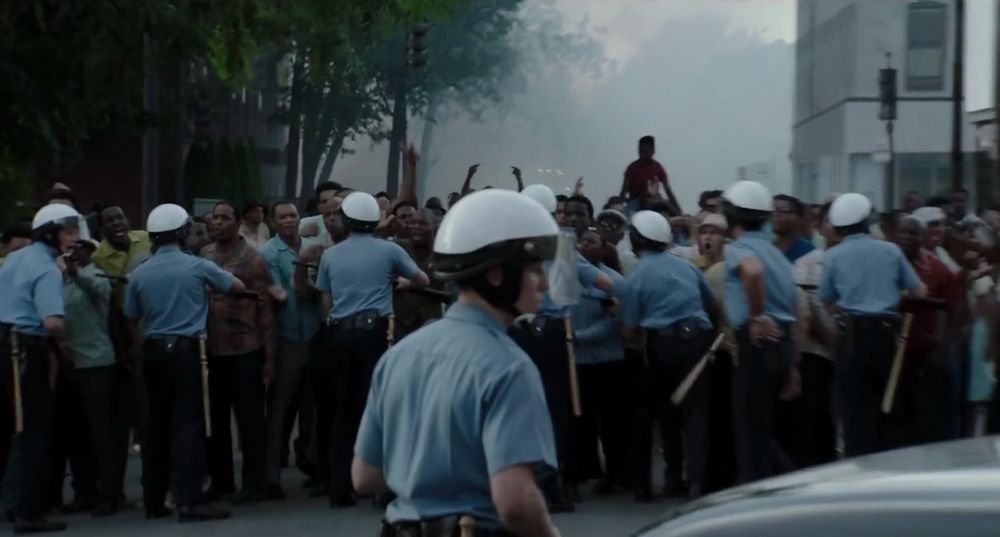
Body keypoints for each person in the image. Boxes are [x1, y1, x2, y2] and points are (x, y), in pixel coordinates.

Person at [352, 189, 562, 537]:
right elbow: (515, 502)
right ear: (497, 275)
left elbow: (365, 476)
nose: (544, 282)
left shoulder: (399, 355)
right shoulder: (509, 367)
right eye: (534, 269)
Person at [124, 203, 246, 522]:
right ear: (182, 232)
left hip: (153, 351)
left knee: (156, 426)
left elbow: (132, 316)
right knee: (188, 426)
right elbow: (237, 287)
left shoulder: (140, 272)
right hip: (187, 351)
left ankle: (153, 501)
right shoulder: (196, 266)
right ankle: (189, 501)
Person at [315, 192, 429, 507]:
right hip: (376, 334)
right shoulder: (389, 250)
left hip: (340, 335)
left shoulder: (330, 255)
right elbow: (422, 279)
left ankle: (339, 488)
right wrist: (402, 284)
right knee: (381, 409)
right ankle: (384, 487)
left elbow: (326, 301)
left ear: (347, 220)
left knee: (343, 411)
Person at [512, 184, 613, 511]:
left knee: (518, 408)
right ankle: (553, 486)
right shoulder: (561, 245)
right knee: (557, 411)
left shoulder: (509, 244)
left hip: (518, 331)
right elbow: (604, 283)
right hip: (554, 334)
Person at [819, 193, 926, 457]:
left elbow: (826, 300)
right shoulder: (890, 250)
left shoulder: (832, 256)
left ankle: (858, 467)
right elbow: (919, 291)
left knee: (854, 411)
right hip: (887, 336)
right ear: (869, 220)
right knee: (890, 406)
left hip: (850, 337)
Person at [620, 211, 717, 501]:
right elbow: (711, 304)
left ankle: (663, 479)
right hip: (697, 340)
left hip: (661, 346)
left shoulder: (638, 276)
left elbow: (629, 330)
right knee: (696, 412)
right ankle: (697, 480)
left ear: (636, 239)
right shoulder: (687, 267)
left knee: (661, 412)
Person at [0, 204, 85, 533]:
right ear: (50, 233)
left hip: (7, 342)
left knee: (19, 430)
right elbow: (52, 322)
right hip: (27, 348)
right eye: (67, 231)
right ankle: (29, 513)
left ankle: (14, 505)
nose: (73, 238)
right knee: (34, 432)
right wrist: (67, 340)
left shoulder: (15, 258)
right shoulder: (48, 269)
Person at [721, 180, 798, 483]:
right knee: (764, 432)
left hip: (756, 345)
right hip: (782, 344)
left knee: (750, 435)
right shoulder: (776, 253)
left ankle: (754, 500)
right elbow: (794, 308)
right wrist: (792, 366)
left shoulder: (738, 249)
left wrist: (757, 316)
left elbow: (752, 272)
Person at [201, 201, 276, 504]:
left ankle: (254, 484)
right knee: (215, 421)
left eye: (224, 218)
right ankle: (221, 481)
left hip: (246, 349)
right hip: (212, 350)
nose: (218, 223)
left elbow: (266, 309)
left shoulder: (253, 259)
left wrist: (269, 358)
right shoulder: (205, 255)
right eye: (215, 218)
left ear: (236, 223)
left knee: (250, 423)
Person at [259, 201, 323, 499]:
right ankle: (271, 475)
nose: (288, 221)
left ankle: (314, 467)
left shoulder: (313, 247)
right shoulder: (269, 253)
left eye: (292, 216)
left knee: (314, 406)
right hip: (286, 336)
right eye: (282, 217)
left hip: (315, 333)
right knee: (279, 410)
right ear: (273, 222)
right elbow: (280, 293)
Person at [54, 239, 123, 516]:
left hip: (96, 362)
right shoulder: (63, 282)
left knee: (101, 432)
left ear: (91, 251)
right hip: (71, 363)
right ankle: (85, 491)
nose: (76, 251)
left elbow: (97, 290)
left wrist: (76, 274)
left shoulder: (96, 276)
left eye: (82, 246)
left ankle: (110, 493)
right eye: (72, 247)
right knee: (77, 433)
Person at [893, 215, 967, 447]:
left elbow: (959, 309)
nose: (906, 237)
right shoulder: (884, 263)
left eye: (912, 233)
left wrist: (944, 349)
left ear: (922, 237)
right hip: (889, 355)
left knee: (930, 423)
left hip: (926, 356)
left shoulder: (937, 268)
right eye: (902, 232)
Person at [91, 206, 153, 474]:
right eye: (110, 220)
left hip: (156, 317)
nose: (117, 223)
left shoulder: (146, 238)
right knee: (138, 396)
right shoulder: (98, 257)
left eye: (120, 217)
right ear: (101, 228)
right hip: (127, 324)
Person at [569, 227, 628, 497]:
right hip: (579, 362)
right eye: (581, 241)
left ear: (604, 248)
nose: (584, 246)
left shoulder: (613, 281)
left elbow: (613, 322)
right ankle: (585, 469)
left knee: (611, 421)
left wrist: (579, 337)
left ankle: (615, 473)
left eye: (591, 242)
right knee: (582, 420)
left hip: (607, 361)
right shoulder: (568, 281)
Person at [789, 202, 838, 468]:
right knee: (817, 417)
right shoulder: (805, 264)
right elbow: (803, 309)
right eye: (831, 220)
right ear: (819, 226)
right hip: (817, 352)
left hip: (854, 350)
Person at [620, 136, 681, 217]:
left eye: (645, 151)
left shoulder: (657, 168)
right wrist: (620, 206)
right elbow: (624, 191)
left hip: (654, 200)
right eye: (640, 151)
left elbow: (668, 190)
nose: (642, 154)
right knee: (627, 216)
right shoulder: (632, 168)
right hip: (636, 201)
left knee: (671, 212)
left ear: (652, 151)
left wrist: (678, 210)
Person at [772, 195, 815, 263]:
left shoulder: (808, 251)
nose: (777, 214)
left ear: (798, 218)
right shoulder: (767, 249)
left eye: (783, 210)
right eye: (774, 210)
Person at [300, 181, 344, 247]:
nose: (329, 204)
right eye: (324, 201)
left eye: (333, 200)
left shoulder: (352, 224)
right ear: (318, 206)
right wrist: (300, 235)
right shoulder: (304, 224)